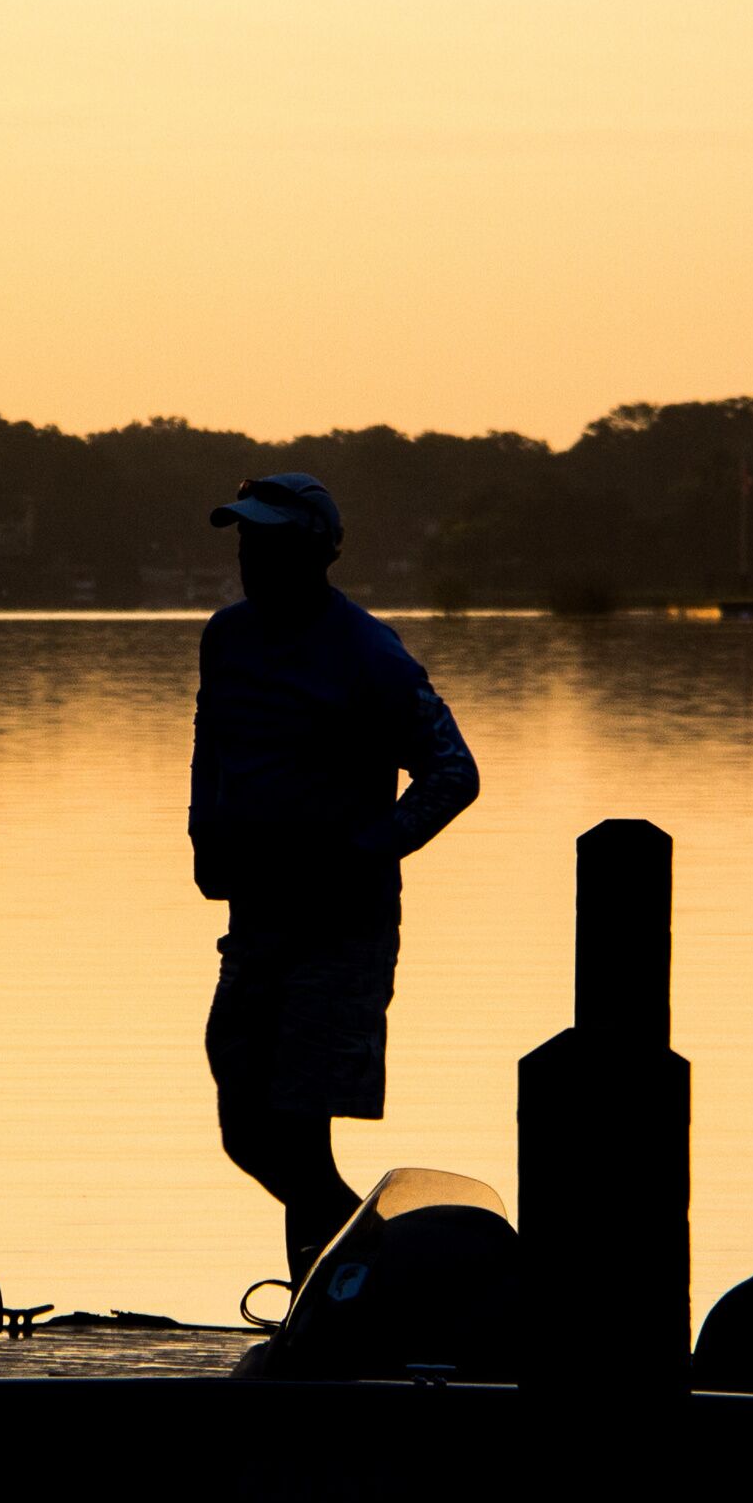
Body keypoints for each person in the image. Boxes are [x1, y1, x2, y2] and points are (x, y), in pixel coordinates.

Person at [189, 473, 479, 1274]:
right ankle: (370, 1282)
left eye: (270, 542)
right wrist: (202, 834)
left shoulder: (369, 655)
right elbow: (210, 739)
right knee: (248, 1130)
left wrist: (358, 854)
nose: (251, 557)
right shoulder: (228, 637)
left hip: (340, 930)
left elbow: (453, 775)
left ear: (317, 551)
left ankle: (354, 1300)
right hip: (255, 921)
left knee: (298, 1126)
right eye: (245, 541)